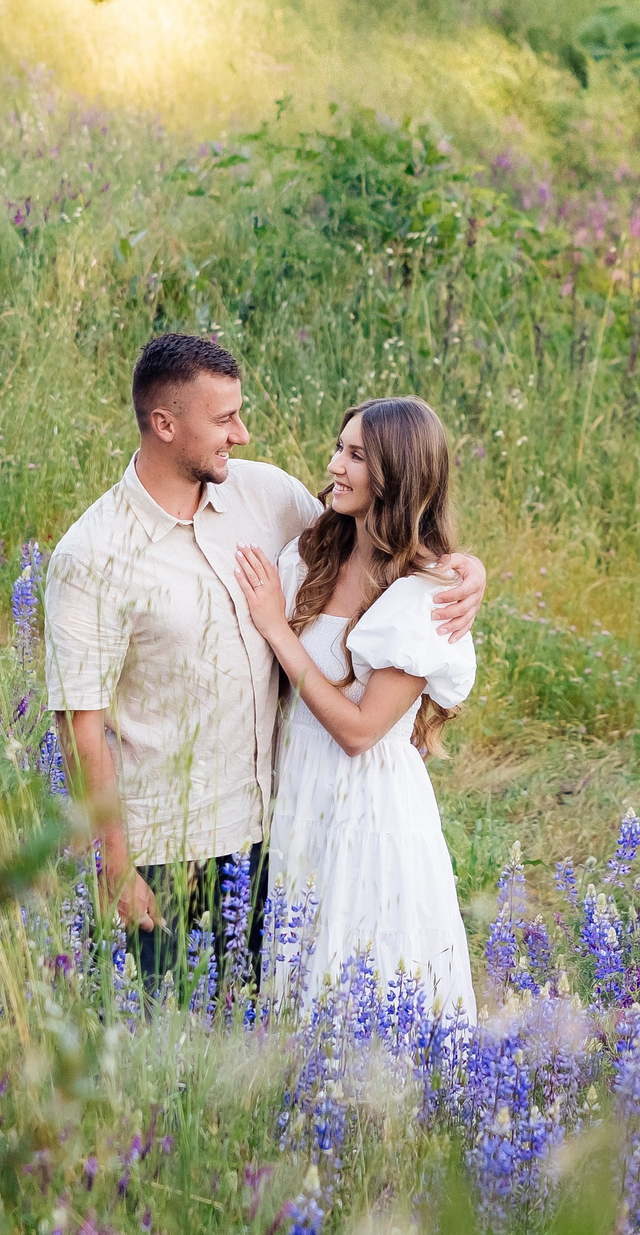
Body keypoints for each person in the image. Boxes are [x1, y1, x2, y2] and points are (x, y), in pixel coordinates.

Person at [42, 334, 486, 999]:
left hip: (269, 833)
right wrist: (114, 860)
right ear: (166, 424)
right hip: (165, 845)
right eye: (224, 419)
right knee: (171, 1039)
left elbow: (386, 542)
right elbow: (80, 725)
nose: (242, 434)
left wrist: (464, 569)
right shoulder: (92, 554)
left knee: (269, 1022)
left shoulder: (263, 497)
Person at [232, 396, 479, 1018]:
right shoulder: (313, 551)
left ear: (394, 475)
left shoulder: (423, 597)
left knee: (365, 962)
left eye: (356, 455)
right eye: (339, 448)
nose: (335, 465)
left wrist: (276, 628)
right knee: (304, 962)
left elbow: (361, 731)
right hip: (302, 790)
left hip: (371, 804)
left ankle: (389, 1111)